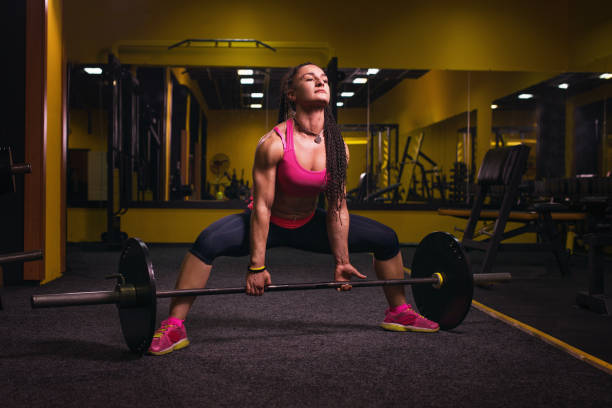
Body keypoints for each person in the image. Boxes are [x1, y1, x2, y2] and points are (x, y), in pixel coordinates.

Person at [148, 63, 439, 356]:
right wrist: (257, 266)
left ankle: (398, 311)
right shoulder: (273, 143)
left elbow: (337, 206)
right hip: (268, 223)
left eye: (324, 79)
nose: (320, 82)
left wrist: (342, 260)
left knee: (386, 238)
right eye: (310, 78)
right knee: (207, 242)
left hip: (309, 224)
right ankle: (174, 324)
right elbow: (262, 206)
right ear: (291, 94)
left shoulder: (338, 147)